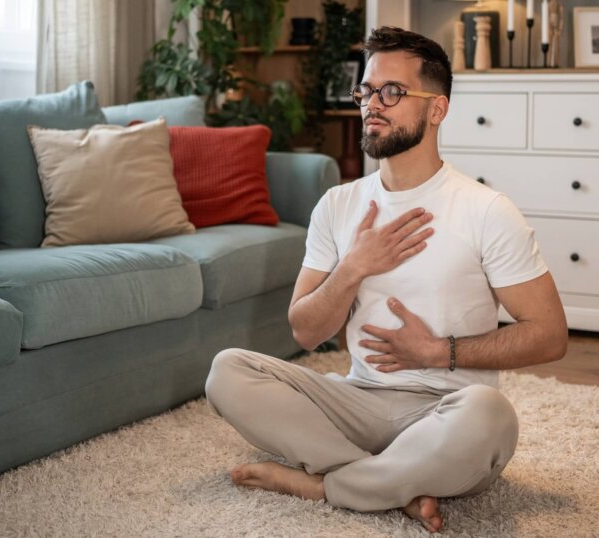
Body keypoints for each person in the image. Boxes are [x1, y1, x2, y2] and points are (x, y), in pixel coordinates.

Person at [204, 26, 568, 533]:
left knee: (492, 416)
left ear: (437, 109)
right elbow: (306, 332)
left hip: (446, 413)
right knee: (227, 372)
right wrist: (354, 266)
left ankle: (326, 483)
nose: (372, 104)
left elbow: (549, 335)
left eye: (392, 92)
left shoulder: (486, 210)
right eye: (366, 90)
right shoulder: (338, 204)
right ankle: (387, 483)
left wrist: (439, 353)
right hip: (358, 402)